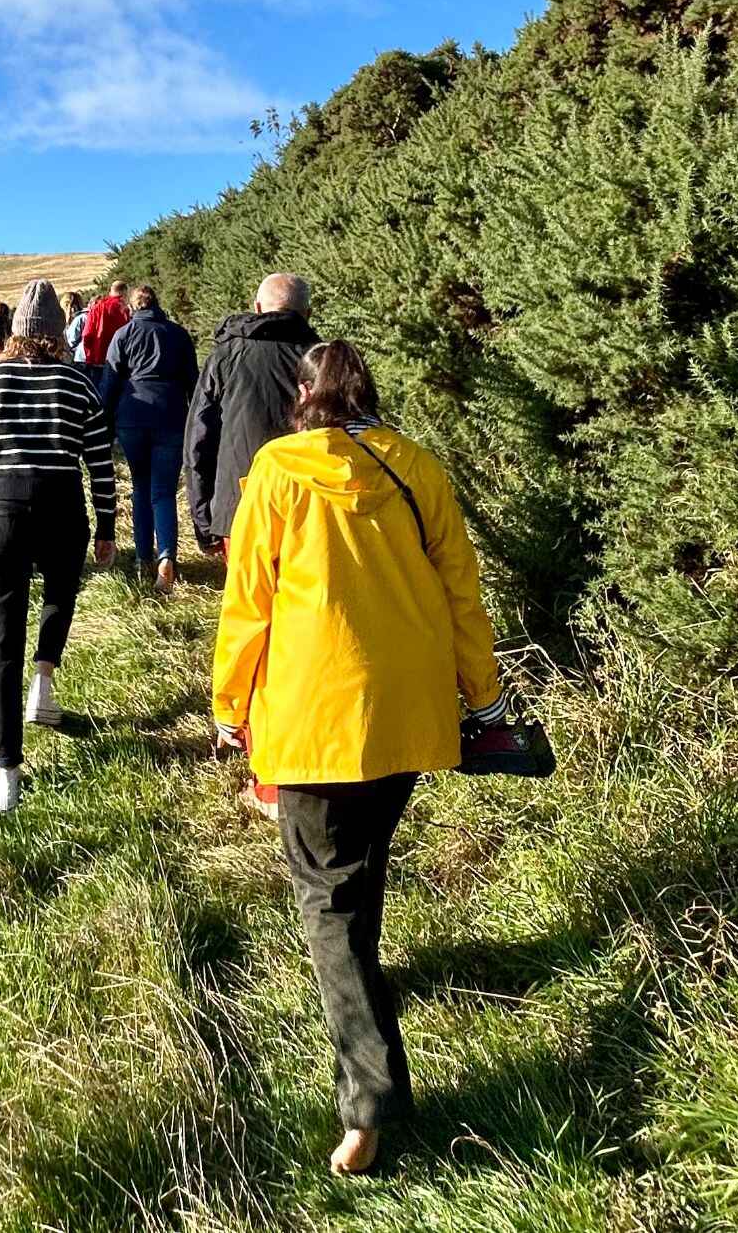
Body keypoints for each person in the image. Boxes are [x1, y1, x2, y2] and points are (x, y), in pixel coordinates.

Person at [211, 340, 509, 1178]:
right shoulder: (418, 467)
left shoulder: (275, 471)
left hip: (313, 721)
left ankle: (369, 1103)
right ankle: (373, 1049)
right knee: (359, 881)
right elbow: (461, 589)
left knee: (329, 910)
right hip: (407, 718)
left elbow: (248, 601)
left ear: (303, 395)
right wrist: (484, 700)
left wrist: (230, 706)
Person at [0, 278, 116, 813]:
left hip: (0, 511)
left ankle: (7, 773)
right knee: (61, 591)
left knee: (1, 642)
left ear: (17, 331)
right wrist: (107, 524)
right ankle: (45, 680)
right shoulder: (76, 383)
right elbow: (101, 462)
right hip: (62, 506)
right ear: (56, 333)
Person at [185, 272, 322, 559]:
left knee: (247, 602)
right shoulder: (324, 361)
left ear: (257, 308)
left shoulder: (224, 357)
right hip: (310, 512)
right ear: (308, 313)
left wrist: (204, 520)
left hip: (238, 510)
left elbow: (199, 442)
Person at [97, 285, 198, 590]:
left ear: (131, 308)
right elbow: (193, 381)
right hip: (170, 414)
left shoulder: (123, 335)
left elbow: (110, 382)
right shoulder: (178, 335)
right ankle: (166, 556)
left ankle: (143, 557)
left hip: (132, 414)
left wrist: (104, 422)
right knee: (163, 492)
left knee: (140, 487)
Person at [79, 280, 132, 383]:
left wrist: (90, 356)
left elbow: (86, 334)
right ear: (124, 292)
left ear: (111, 291)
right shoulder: (125, 309)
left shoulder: (97, 307)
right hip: (120, 360)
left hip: (98, 359)